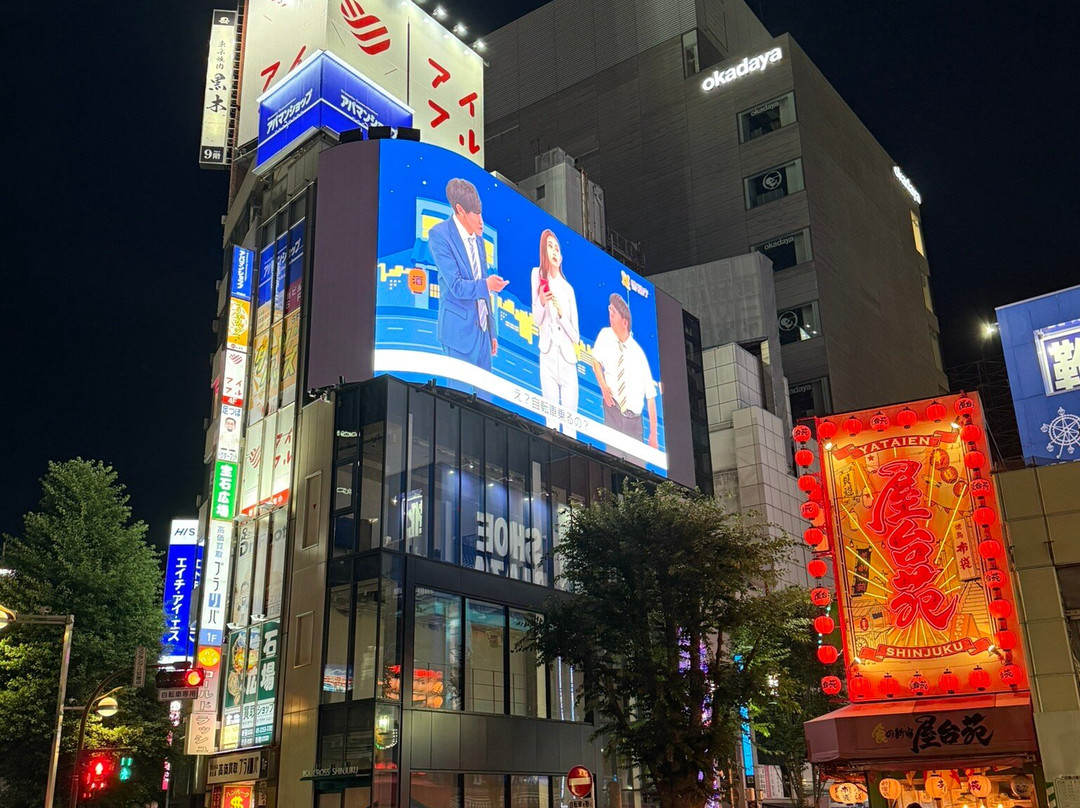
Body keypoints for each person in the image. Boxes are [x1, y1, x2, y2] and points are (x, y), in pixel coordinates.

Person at [427, 178, 509, 374]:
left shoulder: (478, 238)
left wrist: (492, 330)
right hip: (458, 333)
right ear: (460, 210)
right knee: (456, 398)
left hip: (482, 335)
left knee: (484, 402)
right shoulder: (439, 235)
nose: (481, 221)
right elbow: (456, 286)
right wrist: (487, 285)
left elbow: (482, 282)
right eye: (476, 214)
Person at [590, 294, 660, 448]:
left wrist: (653, 435)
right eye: (610, 310)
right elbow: (595, 361)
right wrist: (603, 386)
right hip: (612, 408)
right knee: (612, 458)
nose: (610, 316)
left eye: (613, 312)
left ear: (624, 322)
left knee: (636, 466)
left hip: (634, 421)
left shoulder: (638, 353)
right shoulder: (605, 335)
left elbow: (650, 397)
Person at [531, 230, 580, 437]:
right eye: (550, 246)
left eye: (557, 248)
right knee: (550, 417)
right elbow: (536, 319)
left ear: (561, 256)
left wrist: (561, 316)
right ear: (544, 251)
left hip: (568, 359)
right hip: (547, 352)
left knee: (570, 421)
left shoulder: (568, 289)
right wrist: (542, 301)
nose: (554, 251)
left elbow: (576, 336)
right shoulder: (537, 275)